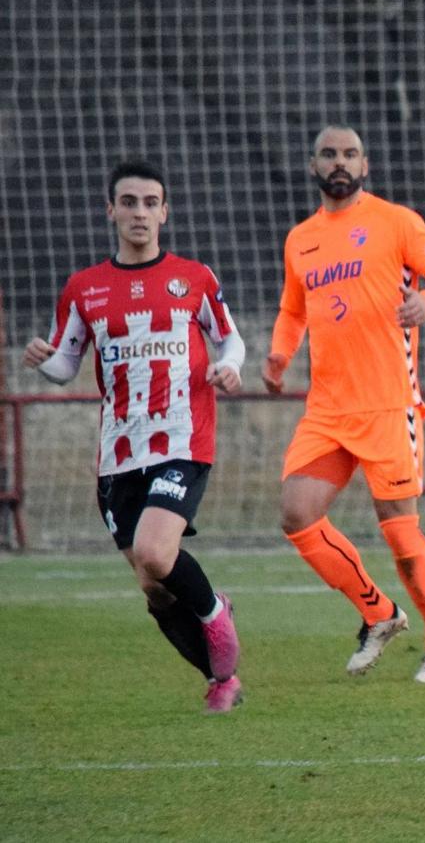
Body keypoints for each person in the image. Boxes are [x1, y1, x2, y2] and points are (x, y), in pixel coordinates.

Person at [24, 160, 245, 714]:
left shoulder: (194, 278)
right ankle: (221, 680)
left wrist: (230, 367)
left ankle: (216, 612)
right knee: (153, 585)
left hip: (183, 440)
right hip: (119, 453)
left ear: (164, 212)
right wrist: (43, 362)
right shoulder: (84, 288)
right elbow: (66, 364)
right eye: (129, 202)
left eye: (150, 202)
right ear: (111, 211)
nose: (139, 212)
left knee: (154, 551)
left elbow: (231, 342)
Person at [263, 125, 425, 683]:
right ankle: (378, 613)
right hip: (327, 410)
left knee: (401, 535)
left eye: (349, 154)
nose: (340, 162)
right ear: (313, 166)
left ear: (365, 165)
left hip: (387, 405)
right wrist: (280, 356)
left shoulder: (396, 222)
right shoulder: (300, 239)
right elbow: (292, 310)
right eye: (329, 154)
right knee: (297, 513)